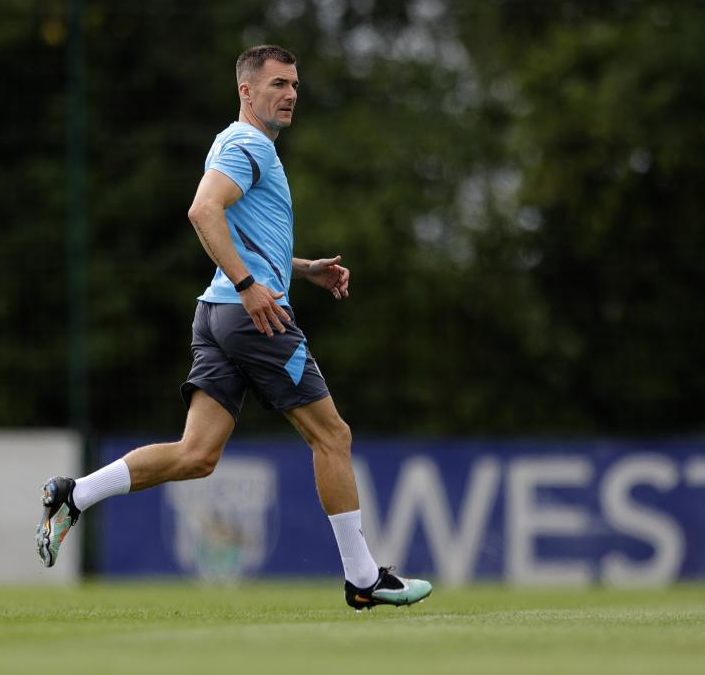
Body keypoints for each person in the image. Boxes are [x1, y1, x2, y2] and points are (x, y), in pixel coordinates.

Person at [36, 44, 432, 610]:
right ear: (247, 91)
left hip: (216, 314)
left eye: (294, 84)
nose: (290, 93)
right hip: (252, 318)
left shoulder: (239, 143)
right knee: (333, 436)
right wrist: (251, 288)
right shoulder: (249, 144)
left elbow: (238, 230)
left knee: (197, 454)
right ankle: (363, 578)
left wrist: (301, 269)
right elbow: (203, 211)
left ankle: (76, 493)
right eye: (277, 84)